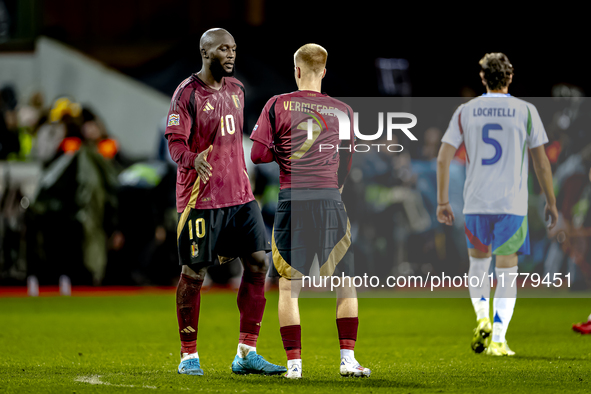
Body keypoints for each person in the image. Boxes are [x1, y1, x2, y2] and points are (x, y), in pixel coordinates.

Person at [165, 28, 286, 376]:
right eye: (223, 49)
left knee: (258, 264)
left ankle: (246, 353)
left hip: (240, 195)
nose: (231, 54)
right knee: (193, 273)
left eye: (233, 48)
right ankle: (189, 355)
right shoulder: (185, 94)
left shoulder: (238, 89)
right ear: (205, 52)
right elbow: (175, 145)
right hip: (200, 198)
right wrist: (192, 159)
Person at [250, 43, 370, 378]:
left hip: (292, 200)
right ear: (324, 72)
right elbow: (347, 159)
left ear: (297, 70)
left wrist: (284, 153)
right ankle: (348, 361)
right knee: (346, 283)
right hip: (331, 199)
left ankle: (295, 366)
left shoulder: (277, 105)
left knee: (289, 287)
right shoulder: (342, 110)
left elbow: (258, 156)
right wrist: (337, 186)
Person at [436, 53, 558, 356]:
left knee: (478, 266)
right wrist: (551, 202)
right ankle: (500, 338)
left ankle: (482, 318)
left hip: (476, 202)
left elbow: (443, 157)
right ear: (510, 77)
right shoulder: (525, 110)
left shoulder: (466, 111)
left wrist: (442, 201)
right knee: (507, 272)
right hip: (511, 204)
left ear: (482, 78)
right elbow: (541, 162)